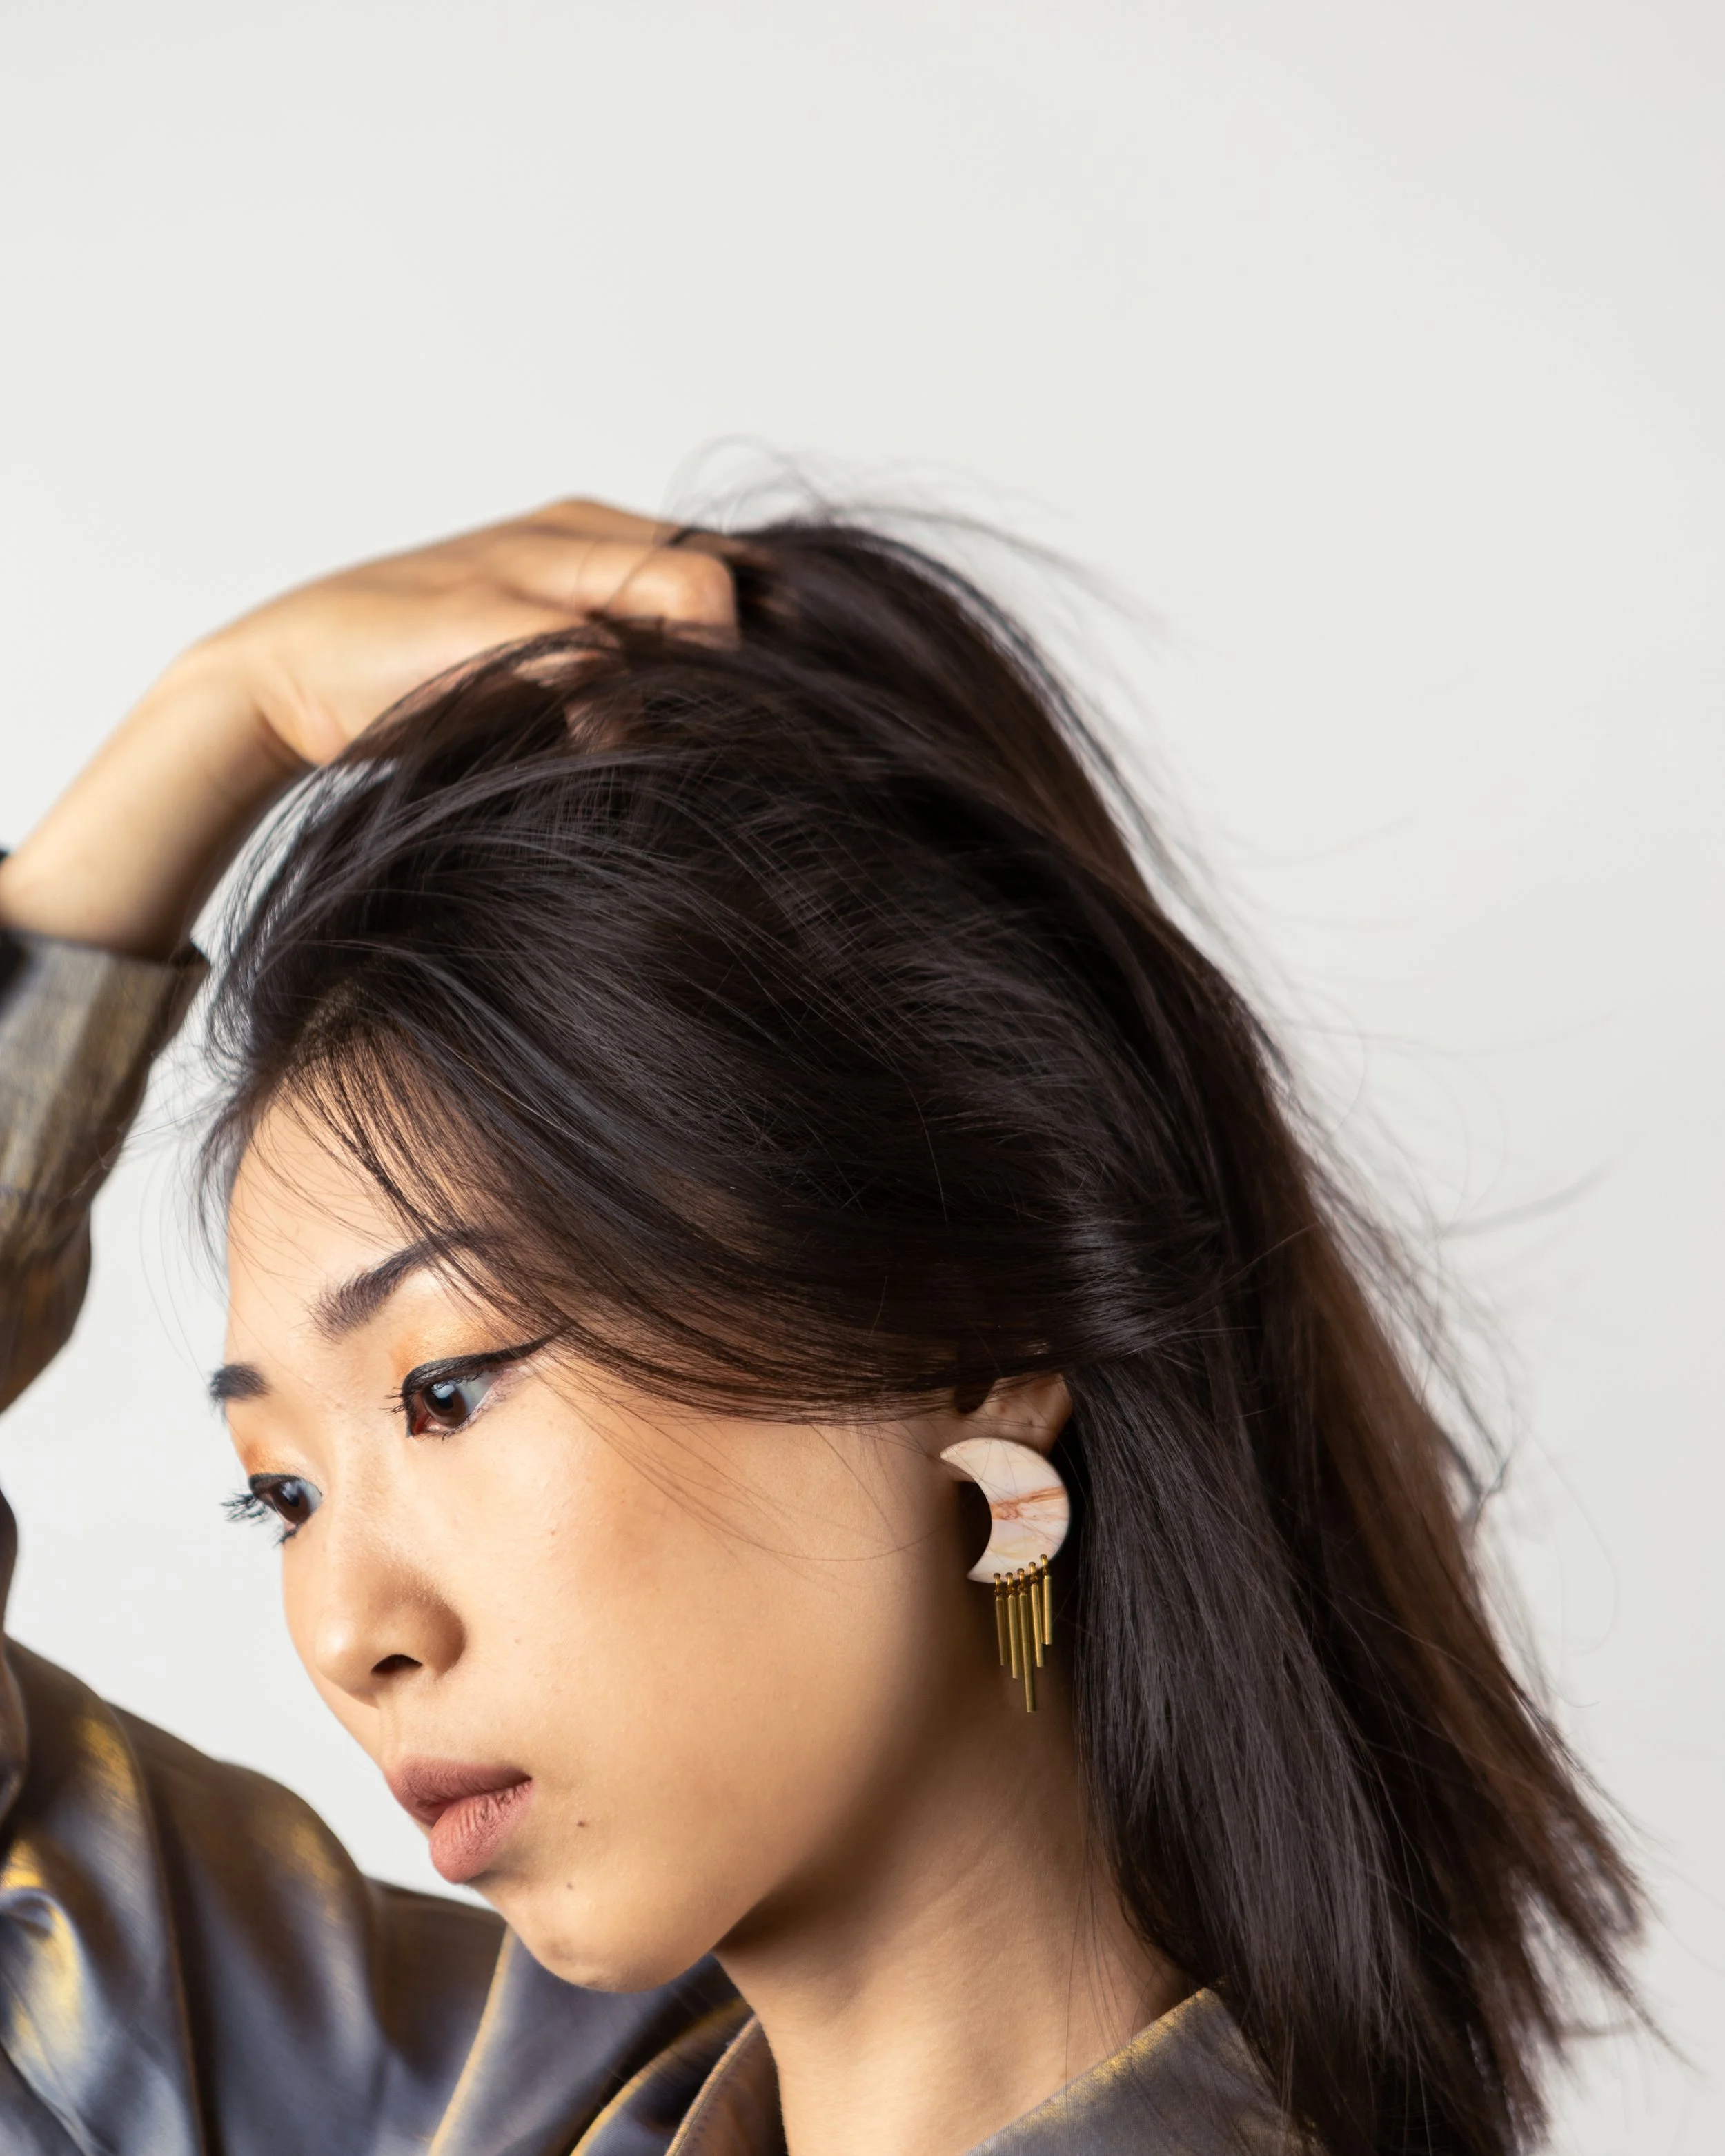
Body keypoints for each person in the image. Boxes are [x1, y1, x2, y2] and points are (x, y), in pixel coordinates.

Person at [0, 500, 1639, 2156]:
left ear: (962, 1339)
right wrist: (208, 731)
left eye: (441, 1388)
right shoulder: (482, 2109)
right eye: (280, 1493)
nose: (352, 1629)